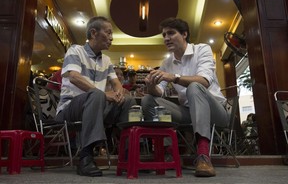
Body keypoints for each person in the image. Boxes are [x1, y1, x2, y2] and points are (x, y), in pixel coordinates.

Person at [141, 17, 229, 177]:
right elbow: (159, 93)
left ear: (184, 34)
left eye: (171, 33)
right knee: (148, 100)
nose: (166, 38)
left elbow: (204, 81)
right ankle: (167, 153)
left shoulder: (202, 49)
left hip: (216, 112)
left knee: (195, 87)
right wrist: (151, 85)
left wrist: (173, 77)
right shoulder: (167, 63)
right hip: (188, 113)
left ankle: (203, 155)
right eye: (164, 35)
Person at [55, 16, 136, 177]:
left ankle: (129, 155)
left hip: (97, 107)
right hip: (70, 109)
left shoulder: (106, 60)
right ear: (93, 33)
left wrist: (119, 93)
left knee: (129, 101)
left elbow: (116, 83)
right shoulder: (75, 50)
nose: (112, 38)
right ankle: (85, 156)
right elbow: (73, 77)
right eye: (108, 33)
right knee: (97, 94)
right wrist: (105, 95)